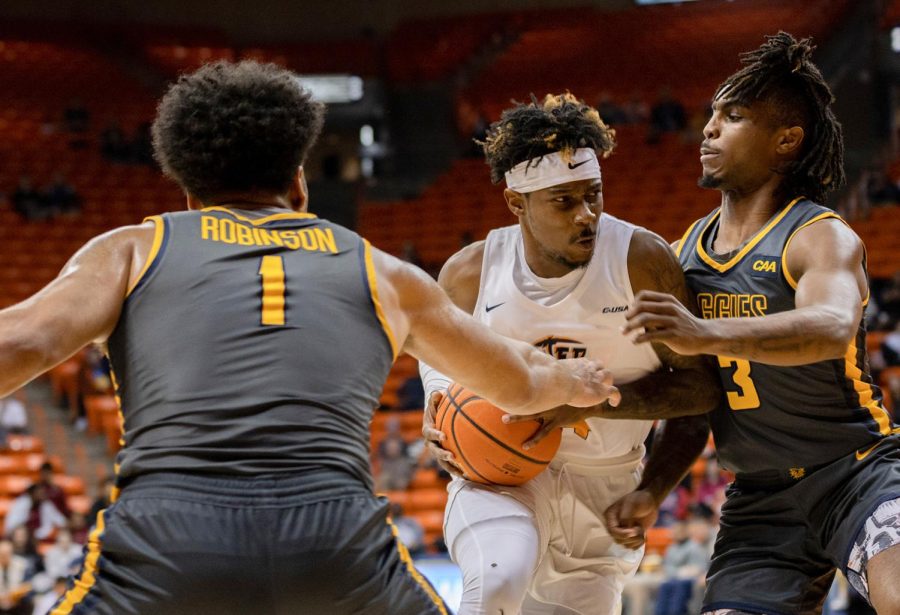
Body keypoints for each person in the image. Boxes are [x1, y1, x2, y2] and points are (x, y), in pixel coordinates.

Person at [0, 61, 619, 615]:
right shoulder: (380, 270)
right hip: (337, 544)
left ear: (189, 195)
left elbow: (22, 343)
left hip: (170, 540)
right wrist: (580, 381)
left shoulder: (134, 250)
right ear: (300, 183)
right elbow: (521, 383)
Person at [603, 33, 900, 614]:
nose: (709, 128)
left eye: (733, 116)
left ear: (786, 140)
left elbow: (831, 325)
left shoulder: (817, 235)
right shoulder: (679, 257)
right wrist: (651, 489)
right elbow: (696, 402)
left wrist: (703, 331)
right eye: (711, 113)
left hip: (856, 473)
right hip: (760, 499)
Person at [419, 93, 719, 615]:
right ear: (517, 204)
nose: (587, 216)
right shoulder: (469, 273)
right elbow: (436, 360)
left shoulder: (642, 262)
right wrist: (440, 404)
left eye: (594, 195)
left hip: (605, 487)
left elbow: (699, 391)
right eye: (564, 201)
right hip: (502, 476)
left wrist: (649, 485)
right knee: (496, 584)